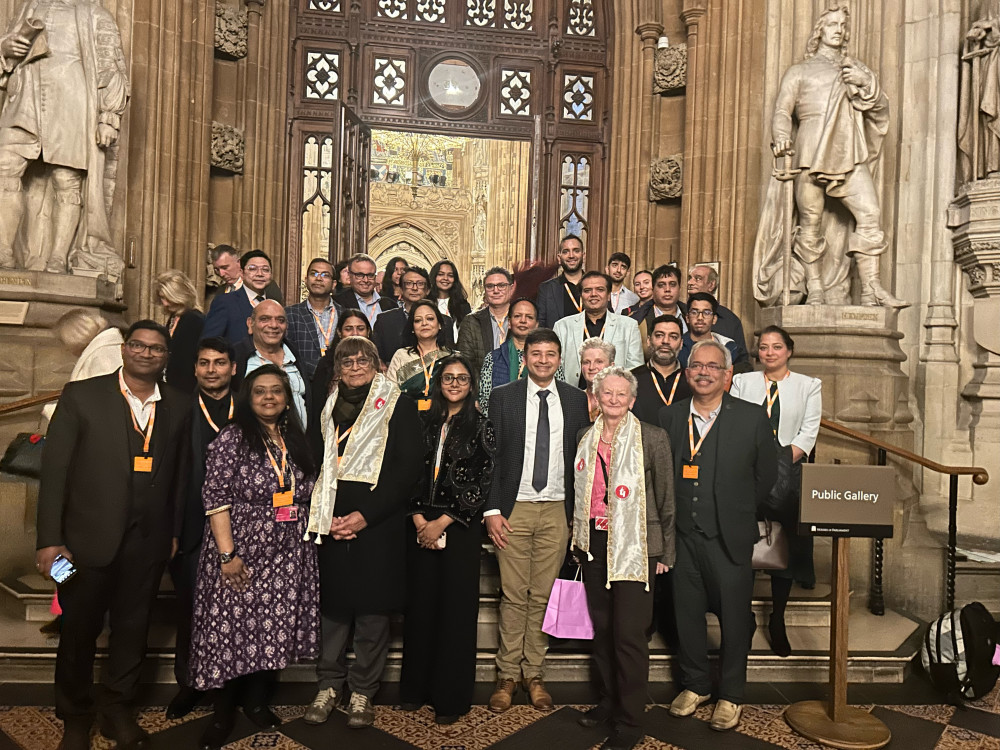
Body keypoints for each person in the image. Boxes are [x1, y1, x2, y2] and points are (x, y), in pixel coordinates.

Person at [36, 321, 191, 750]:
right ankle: (74, 715)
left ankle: (117, 708)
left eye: (156, 349)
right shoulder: (82, 396)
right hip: (80, 544)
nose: (146, 353)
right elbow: (55, 475)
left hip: (149, 543)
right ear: (125, 349)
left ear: (166, 357)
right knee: (77, 631)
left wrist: (173, 532)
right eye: (138, 345)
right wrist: (49, 540)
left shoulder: (178, 403)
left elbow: (180, 476)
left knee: (132, 631)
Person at [189, 365, 319, 750]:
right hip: (240, 547)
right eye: (260, 391)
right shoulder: (233, 437)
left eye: (276, 391)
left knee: (270, 627)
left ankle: (257, 702)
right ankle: (223, 712)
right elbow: (215, 498)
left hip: (287, 551)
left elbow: (307, 489)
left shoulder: (295, 437)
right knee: (231, 629)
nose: (268, 397)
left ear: (286, 397)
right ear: (248, 396)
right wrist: (227, 555)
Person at [303, 337, 423, 729]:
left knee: (372, 612)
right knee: (333, 609)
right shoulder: (326, 407)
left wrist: (363, 516)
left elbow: (407, 470)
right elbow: (315, 461)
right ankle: (328, 683)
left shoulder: (397, 404)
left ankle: (362, 691)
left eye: (363, 360)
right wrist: (331, 518)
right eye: (347, 361)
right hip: (331, 522)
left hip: (377, 523)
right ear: (338, 368)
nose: (355, 366)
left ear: (377, 364)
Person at [658, 341, 777, 732]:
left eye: (713, 366)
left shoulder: (752, 417)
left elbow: (767, 476)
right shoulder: (670, 417)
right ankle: (695, 685)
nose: (704, 372)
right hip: (683, 539)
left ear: (727, 375)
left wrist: (738, 509)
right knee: (687, 615)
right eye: (697, 366)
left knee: (734, 619)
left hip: (730, 536)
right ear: (687, 372)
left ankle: (730, 694)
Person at [755, 5, 907, 308]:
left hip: (848, 149)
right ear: (819, 30)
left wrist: (867, 86)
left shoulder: (857, 69)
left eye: (842, 25)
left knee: (870, 214)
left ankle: (871, 289)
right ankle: (815, 289)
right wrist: (782, 137)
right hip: (810, 150)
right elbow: (783, 111)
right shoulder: (799, 71)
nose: (838, 29)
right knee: (810, 221)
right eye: (832, 24)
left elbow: (879, 110)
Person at [484, 329, 590, 713]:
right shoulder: (503, 397)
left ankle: (535, 674)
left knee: (543, 598)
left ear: (560, 359)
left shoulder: (578, 401)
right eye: (536, 353)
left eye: (551, 354)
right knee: (514, 595)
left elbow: (584, 459)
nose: (543, 360)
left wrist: (579, 518)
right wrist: (492, 510)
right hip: (515, 509)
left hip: (558, 509)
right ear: (524, 357)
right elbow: (491, 458)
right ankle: (507, 675)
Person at [572, 366, 675, 750]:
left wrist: (665, 551)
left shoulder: (653, 438)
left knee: (629, 634)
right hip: (594, 543)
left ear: (632, 400)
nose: (613, 400)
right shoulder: (585, 437)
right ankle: (609, 702)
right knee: (603, 631)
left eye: (621, 395)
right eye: (606, 394)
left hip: (636, 546)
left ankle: (630, 721)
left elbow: (667, 500)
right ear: (596, 398)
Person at [400, 354, 496, 723]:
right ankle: (415, 689)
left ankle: (450, 698)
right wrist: (420, 519)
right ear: (438, 383)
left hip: (458, 530)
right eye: (448, 377)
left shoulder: (482, 425)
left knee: (455, 615)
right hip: (419, 525)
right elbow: (407, 470)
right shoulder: (422, 422)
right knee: (421, 610)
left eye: (462, 378)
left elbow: (482, 479)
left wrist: (441, 522)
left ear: (472, 384)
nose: (454, 383)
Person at [0, 0, 128, 274]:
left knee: (66, 180)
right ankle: (4, 253)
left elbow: (111, 65)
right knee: (5, 165)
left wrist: (109, 117)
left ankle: (58, 258)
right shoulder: (28, 7)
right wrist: (5, 48)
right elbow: (8, 48)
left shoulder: (94, 14)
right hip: (25, 97)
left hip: (71, 101)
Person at [731, 326, 821, 657]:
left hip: (787, 474)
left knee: (785, 544)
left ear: (789, 351)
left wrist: (778, 463)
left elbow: (808, 432)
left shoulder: (809, 386)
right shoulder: (744, 382)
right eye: (764, 347)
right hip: (746, 473)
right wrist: (755, 464)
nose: (770, 353)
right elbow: (735, 423)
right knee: (744, 541)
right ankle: (743, 614)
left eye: (777, 347)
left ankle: (778, 619)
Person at [166, 337, 237, 722]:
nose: (212, 370)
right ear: (195, 369)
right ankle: (189, 684)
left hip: (240, 530)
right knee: (191, 610)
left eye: (220, 363)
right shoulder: (178, 407)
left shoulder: (246, 406)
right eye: (205, 363)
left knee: (238, 612)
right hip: (193, 526)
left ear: (233, 368)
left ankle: (234, 687)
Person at [554, 270, 643, 387]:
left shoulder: (629, 326)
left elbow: (635, 369)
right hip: (573, 395)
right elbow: (556, 368)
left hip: (613, 397)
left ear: (609, 295)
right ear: (581, 295)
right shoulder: (562, 326)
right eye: (587, 290)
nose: (593, 294)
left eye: (600, 290)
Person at [479, 298, 565, 417]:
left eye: (529, 317)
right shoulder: (493, 358)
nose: (523, 321)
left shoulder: (548, 359)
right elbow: (485, 401)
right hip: (502, 425)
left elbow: (560, 393)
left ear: (536, 324)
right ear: (509, 323)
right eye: (518, 316)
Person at [234, 300, 309, 428]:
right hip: (253, 443)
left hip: (298, 443)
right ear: (250, 324)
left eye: (280, 320)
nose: (274, 325)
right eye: (265, 319)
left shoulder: (295, 356)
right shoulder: (237, 357)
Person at [43, 309, 124, 421]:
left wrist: (56, 411)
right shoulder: (103, 350)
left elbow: (106, 403)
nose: (66, 349)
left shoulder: (103, 355)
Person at [373, 267, 454, 365]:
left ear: (428, 290)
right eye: (409, 283)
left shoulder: (445, 321)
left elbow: (449, 356)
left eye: (420, 284)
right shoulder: (385, 320)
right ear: (401, 289)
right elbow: (377, 356)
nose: (414, 288)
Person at [386, 300, 454, 407]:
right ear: (412, 328)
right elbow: (389, 395)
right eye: (418, 320)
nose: (424, 323)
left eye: (430, 319)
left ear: (440, 324)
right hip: (408, 418)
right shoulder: (401, 356)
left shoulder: (452, 358)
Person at [285, 257, 343, 380]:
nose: (318, 278)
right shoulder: (290, 314)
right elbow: (287, 353)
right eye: (314, 273)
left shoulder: (344, 314)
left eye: (325, 275)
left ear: (334, 284)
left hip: (338, 383)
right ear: (306, 280)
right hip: (302, 383)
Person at [311, 309, 373, 419]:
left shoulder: (377, 362)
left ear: (368, 332)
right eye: (348, 329)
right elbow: (317, 406)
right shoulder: (327, 364)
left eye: (360, 329)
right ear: (339, 333)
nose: (355, 333)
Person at [203, 250, 275, 345]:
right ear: (241, 273)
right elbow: (209, 342)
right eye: (253, 269)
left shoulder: (274, 303)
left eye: (265, 270)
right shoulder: (225, 302)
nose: (260, 274)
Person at [457, 266, 514, 382]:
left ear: (511, 288)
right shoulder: (471, 322)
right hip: (481, 391)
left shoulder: (522, 320)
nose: (496, 290)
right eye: (490, 286)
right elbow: (466, 364)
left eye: (501, 285)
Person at [630, 315, 690, 425]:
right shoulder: (630, 378)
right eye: (659, 335)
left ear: (681, 344)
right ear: (648, 341)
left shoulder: (692, 379)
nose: (665, 341)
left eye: (673, 337)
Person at [155, 269, 205, 393]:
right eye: (162, 298)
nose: (164, 303)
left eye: (168, 298)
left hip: (184, 390)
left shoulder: (194, 319)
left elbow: (188, 361)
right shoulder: (174, 317)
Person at [678, 292, 750, 373]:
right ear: (687, 318)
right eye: (694, 312)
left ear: (714, 319)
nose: (700, 317)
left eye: (707, 313)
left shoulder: (730, 348)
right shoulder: (677, 346)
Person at [686, 264, 746, 348]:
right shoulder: (680, 311)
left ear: (711, 284)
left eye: (698, 278)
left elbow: (741, 357)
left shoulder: (729, 319)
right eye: (689, 278)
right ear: (687, 317)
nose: (690, 283)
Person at [537, 234, 586, 328]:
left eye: (576, 251)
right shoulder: (546, 289)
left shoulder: (596, 286)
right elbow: (541, 326)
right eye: (566, 252)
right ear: (559, 258)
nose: (571, 255)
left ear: (583, 256)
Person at [629, 265, 687, 343]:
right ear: (653, 289)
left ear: (679, 288)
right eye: (661, 285)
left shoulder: (691, 315)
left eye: (672, 284)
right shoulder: (636, 320)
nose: (667, 289)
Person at [334, 253, 397, 325]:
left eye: (370, 275)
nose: (366, 280)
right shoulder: (337, 303)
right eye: (360, 275)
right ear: (349, 275)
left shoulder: (391, 305)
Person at [210, 244, 283, 303]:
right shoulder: (220, 291)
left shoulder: (265, 286)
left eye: (225, 267)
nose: (221, 274)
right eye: (216, 269)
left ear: (239, 263)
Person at [429, 258, 472, 336]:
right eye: (441, 274)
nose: (445, 278)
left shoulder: (463, 306)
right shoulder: (426, 303)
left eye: (450, 275)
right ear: (434, 277)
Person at [579, 337, 615, 421]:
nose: (591, 367)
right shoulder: (573, 398)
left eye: (599, 362)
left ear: (611, 366)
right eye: (586, 362)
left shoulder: (618, 401)